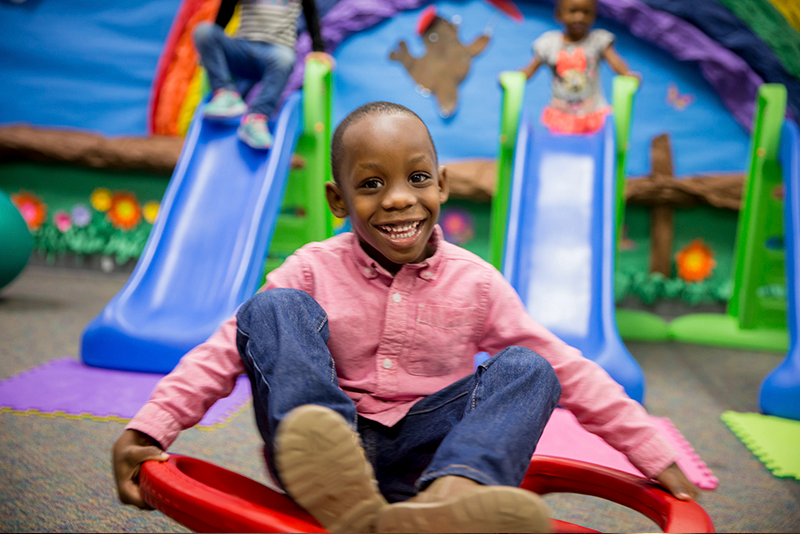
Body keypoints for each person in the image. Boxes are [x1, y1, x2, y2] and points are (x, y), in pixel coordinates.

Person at [113, 101, 699, 533]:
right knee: (270, 310)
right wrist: (151, 428)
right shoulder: (312, 267)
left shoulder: (476, 282)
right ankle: (342, 489)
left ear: (441, 186)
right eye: (371, 184)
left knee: (532, 366)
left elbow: (571, 369)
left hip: (431, 456)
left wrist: (651, 449)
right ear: (339, 200)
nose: (398, 198)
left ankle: (451, 499)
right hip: (325, 448)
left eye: (417, 178)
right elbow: (222, 350)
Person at [193, 0, 326, 149]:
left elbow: (311, 16)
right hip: (244, 49)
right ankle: (226, 94)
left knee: (285, 58)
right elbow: (225, 12)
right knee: (204, 31)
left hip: (275, 53)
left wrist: (319, 50)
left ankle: (256, 118)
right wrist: (210, 49)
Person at [520, 0, 637, 134]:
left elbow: (615, 61)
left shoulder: (597, 40)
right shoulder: (549, 43)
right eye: (573, 11)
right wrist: (513, 79)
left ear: (594, 16)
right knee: (560, 150)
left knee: (593, 149)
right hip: (561, 114)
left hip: (592, 112)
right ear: (559, 14)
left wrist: (627, 74)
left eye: (586, 12)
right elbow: (529, 70)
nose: (579, 17)